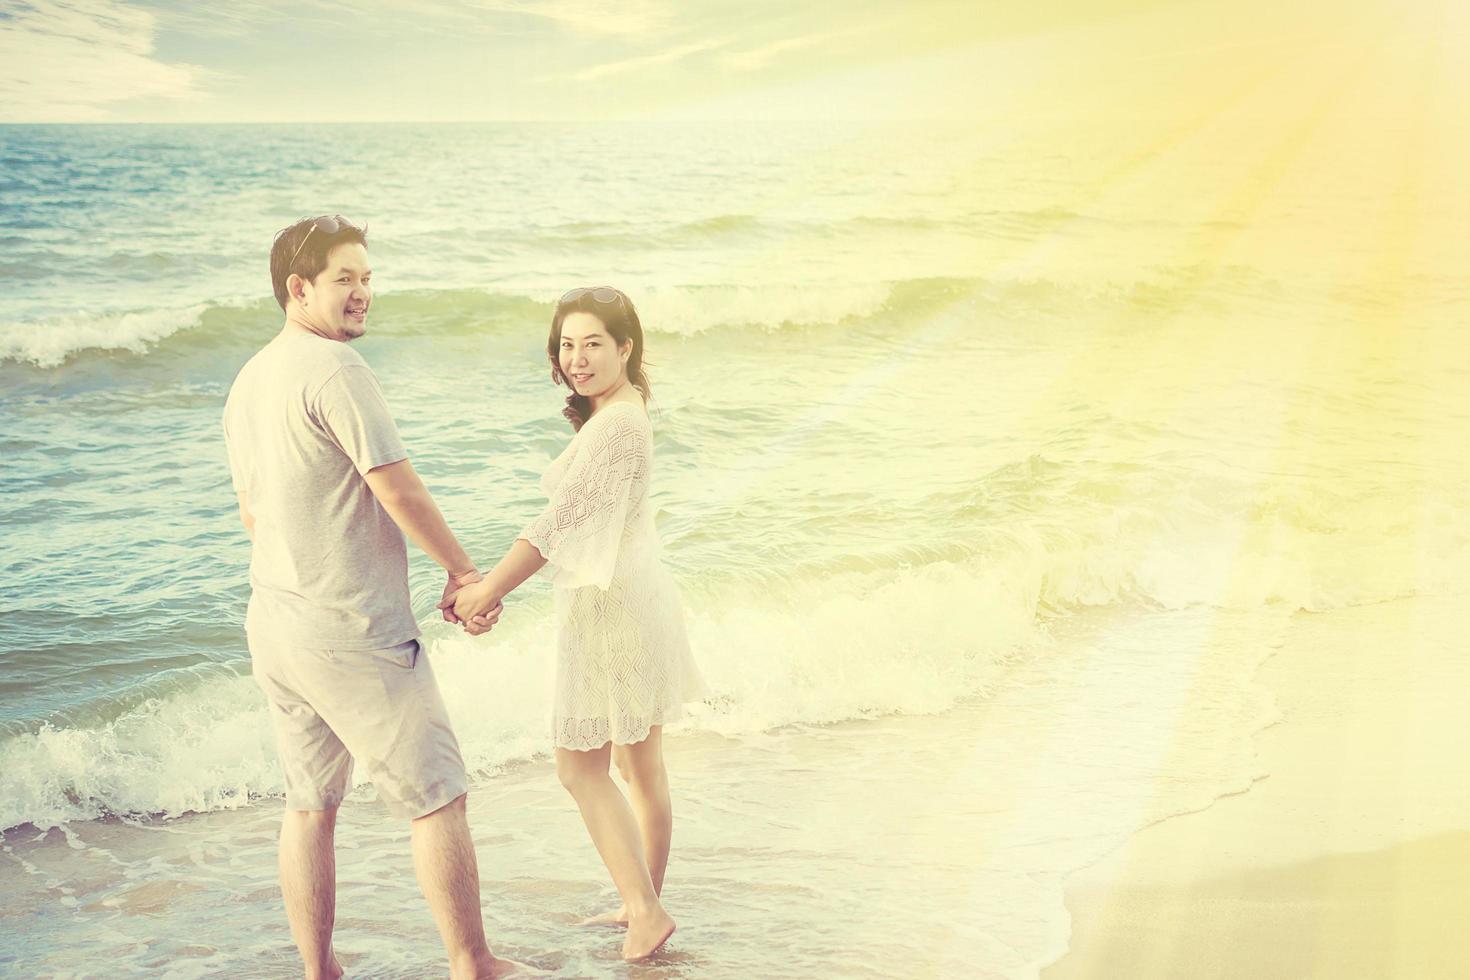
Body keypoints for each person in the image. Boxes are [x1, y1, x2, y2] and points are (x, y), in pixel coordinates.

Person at [223, 215, 517, 980]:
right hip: (352, 629)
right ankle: (473, 964)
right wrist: (463, 573)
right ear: (300, 289)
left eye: (367, 278)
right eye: (344, 279)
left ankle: (320, 972)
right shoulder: (335, 372)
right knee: (438, 796)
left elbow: (251, 512)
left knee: (309, 804)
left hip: (277, 625)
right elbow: (396, 486)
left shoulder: (252, 378)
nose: (362, 294)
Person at [440, 286, 706, 962]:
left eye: (594, 343)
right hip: (635, 594)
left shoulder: (614, 425)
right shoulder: (624, 411)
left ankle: (644, 908)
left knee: (579, 768)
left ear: (626, 346)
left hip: (612, 609)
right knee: (639, 765)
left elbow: (555, 527)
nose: (578, 358)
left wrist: (485, 592)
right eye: (567, 345)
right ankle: (643, 900)